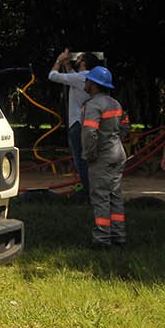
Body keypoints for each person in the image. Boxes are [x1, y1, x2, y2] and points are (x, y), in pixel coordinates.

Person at [81, 66, 127, 247]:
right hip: (117, 153)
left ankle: (102, 239)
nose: (85, 83)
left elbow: (89, 132)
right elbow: (124, 127)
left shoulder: (93, 105)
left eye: (87, 80)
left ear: (93, 84)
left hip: (102, 157)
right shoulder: (115, 103)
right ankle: (119, 236)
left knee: (100, 197)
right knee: (115, 196)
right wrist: (114, 141)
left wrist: (90, 154)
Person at [49, 48, 96, 196]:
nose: (78, 60)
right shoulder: (88, 77)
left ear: (83, 63)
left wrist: (59, 60)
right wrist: (68, 65)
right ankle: (90, 189)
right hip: (88, 123)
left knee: (80, 160)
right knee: (88, 159)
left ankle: (88, 192)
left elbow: (52, 76)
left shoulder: (80, 77)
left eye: (80, 58)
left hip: (77, 124)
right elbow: (74, 78)